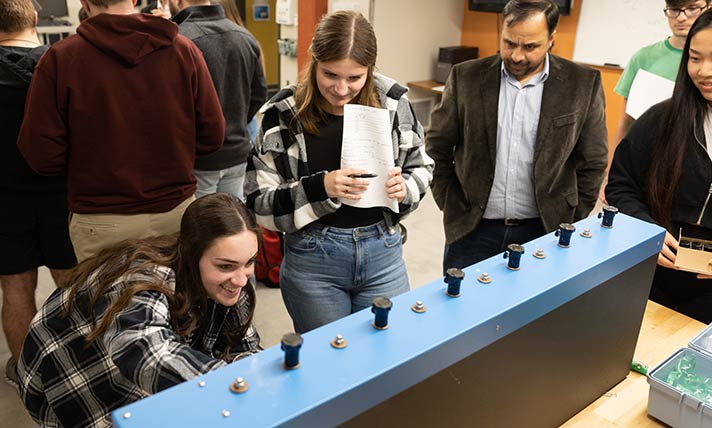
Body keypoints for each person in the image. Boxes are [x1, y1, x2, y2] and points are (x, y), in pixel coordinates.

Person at [245, 10, 433, 333]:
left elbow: (423, 166)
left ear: (370, 71)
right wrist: (321, 189)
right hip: (312, 258)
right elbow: (257, 201)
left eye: (355, 78)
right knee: (329, 362)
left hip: (383, 252)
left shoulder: (393, 102)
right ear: (314, 61)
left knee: (388, 352)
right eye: (330, 75)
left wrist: (406, 187)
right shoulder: (282, 114)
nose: (342, 90)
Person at [17, 193, 262, 428]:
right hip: (72, 373)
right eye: (226, 266)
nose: (241, 280)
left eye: (249, 262)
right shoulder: (140, 280)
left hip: (123, 364)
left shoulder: (229, 284)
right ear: (191, 253)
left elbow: (246, 350)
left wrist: (259, 380)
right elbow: (147, 353)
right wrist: (234, 384)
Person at [17, 0, 225, 262]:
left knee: (110, 302)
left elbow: (41, 153)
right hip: (174, 211)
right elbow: (213, 135)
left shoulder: (61, 58)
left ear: (84, 2)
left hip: (101, 218)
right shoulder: (183, 50)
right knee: (176, 300)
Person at [606, 0, 712, 325]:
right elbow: (621, 186)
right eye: (694, 58)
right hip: (649, 278)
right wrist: (646, 230)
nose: (703, 71)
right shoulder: (664, 117)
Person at [426, 0, 608, 272]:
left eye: (530, 46)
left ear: (551, 40)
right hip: (472, 230)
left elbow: (593, 159)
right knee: (465, 309)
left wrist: (573, 214)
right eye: (509, 43)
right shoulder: (466, 77)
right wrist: (450, 202)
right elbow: (437, 146)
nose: (517, 56)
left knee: (538, 313)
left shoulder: (582, 84)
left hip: (546, 231)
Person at [0, 0, 77, 387]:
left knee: (15, 286)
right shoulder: (63, 64)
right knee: (72, 281)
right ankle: (80, 364)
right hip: (61, 193)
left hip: (5, 200)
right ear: (34, 18)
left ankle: (27, 374)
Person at [605, 0, 712, 201]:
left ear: (711, 5)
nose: (681, 17)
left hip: (690, 171)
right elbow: (625, 123)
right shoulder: (644, 57)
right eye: (674, 10)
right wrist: (610, 176)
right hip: (642, 165)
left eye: (691, 8)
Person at [170, 0, 267, 201]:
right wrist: (237, 121)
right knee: (233, 223)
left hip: (199, 159)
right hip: (237, 152)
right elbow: (259, 94)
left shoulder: (179, 40)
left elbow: (172, 106)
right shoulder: (245, 36)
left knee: (203, 226)